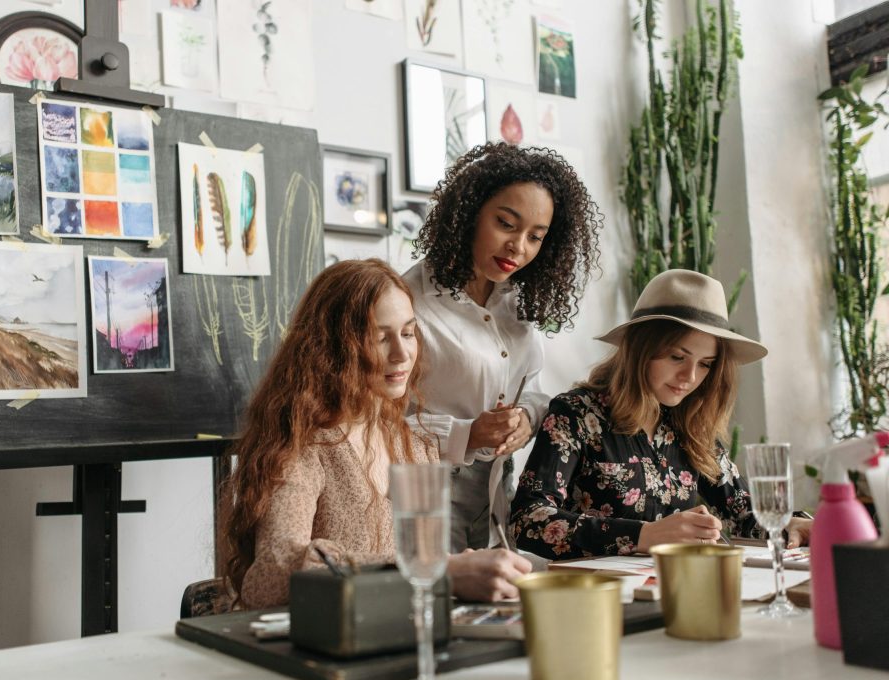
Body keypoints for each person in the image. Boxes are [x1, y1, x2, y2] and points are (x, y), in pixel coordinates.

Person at [221, 259, 531, 609]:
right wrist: (442, 568)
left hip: (394, 637)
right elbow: (272, 576)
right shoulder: (302, 445)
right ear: (333, 347)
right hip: (319, 650)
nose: (401, 354)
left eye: (408, 333)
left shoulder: (415, 446)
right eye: (379, 338)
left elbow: (420, 578)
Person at [510, 269, 813, 560]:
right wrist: (643, 535)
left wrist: (789, 524)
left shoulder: (689, 423)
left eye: (705, 364)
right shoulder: (576, 414)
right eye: (677, 357)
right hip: (598, 595)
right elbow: (529, 520)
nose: (690, 377)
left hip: (676, 587)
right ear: (641, 349)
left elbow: (742, 511)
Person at [404, 141, 603, 551]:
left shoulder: (514, 305)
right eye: (506, 224)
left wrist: (527, 420)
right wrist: (466, 434)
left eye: (536, 236)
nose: (519, 247)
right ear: (470, 212)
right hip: (424, 493)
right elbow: (368, 426)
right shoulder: (408, 302)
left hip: (497, 494)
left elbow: (530, 391)